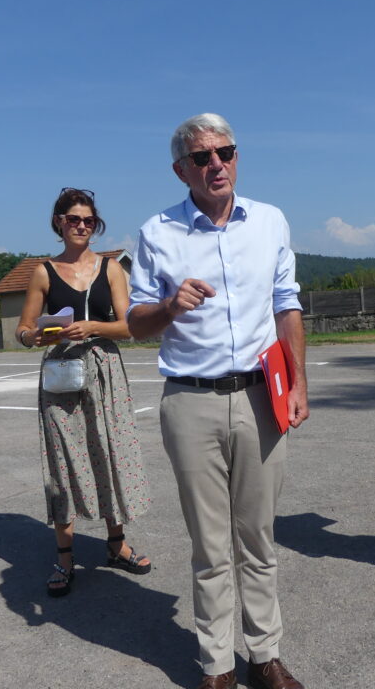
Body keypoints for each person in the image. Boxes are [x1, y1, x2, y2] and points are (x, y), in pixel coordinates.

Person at [128, 113, 309, 689]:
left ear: (236, 156)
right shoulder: (157, 232)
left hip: (260, 396)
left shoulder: (270, 221)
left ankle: (265, 655)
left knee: (258, 537)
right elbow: (135, 322)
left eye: (225, 152)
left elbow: (286, 305)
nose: (216, 164)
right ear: (180, 169)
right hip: (191, 401)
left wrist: (299, 383)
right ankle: (217, 665)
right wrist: (169, 306)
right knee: (210, 544)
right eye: (202, 157)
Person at [15, 187, 151, 597]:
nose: (81, 226)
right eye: (73, 219)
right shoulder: (43, 272)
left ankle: (116, 545)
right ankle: (64, 558)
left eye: (88, 220)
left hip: (104, 369)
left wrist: (92, 327)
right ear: (59, 222)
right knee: (63, 460)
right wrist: (35, 336)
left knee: (109, 451)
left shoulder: (111, 269)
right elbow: (23, 329)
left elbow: (129, 326)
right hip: (60, 370)